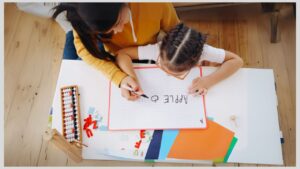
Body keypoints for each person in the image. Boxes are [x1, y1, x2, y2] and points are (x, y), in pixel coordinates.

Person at [52, 3, 180, 100]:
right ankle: (73, 35)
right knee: (70, 69)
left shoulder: (156, 5)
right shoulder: (87, 16)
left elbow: (178, 32)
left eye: (118, 22)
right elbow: (84, 50)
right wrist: (120, 78)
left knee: (72, 62)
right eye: (110, 29)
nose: (118, 30)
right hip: (110, 52)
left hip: (133, 52)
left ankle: (72, 36)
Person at [115, 23, 244, 100]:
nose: (167, 74)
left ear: (195, 62)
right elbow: (122, 54)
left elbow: (237, 61)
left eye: (176, 73)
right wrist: (132, 77)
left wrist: (209, 80)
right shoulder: (156, 50)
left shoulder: (204, 52)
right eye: (162, 65)